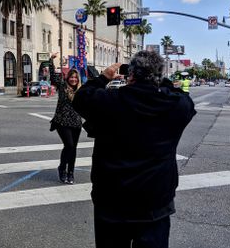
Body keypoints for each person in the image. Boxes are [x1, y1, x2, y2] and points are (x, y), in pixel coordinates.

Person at [72, 51, 196, 248]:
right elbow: (184, 98)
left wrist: (103, 77)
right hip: (155, 202)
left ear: (131, 75)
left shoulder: (109, 100)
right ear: (157, 75)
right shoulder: (175, 106)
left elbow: (80, 98)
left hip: (111, 200)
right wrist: (160, 81)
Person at [49, 53, 82, 184]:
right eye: (71, 77)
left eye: (75, 77)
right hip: (62, 121)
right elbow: (52, 76)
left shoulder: (80, 91)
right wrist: (51, 60)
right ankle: (62, 168)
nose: (73, 79)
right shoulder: (62, 86)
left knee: (73, 148)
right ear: (68, 78)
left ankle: (71, 172)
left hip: (76, 122)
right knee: (69, 145)